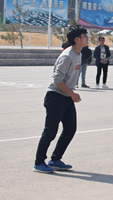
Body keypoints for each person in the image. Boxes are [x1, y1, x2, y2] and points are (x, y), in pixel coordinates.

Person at [33, 26, 88, 173]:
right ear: (77, 39)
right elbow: (57, 80)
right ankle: (39, 162)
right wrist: (72, 94)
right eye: (85, 36)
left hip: (66, 97)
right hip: (55, 97)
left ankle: (55, 159)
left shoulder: (78, 54)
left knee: (70, 129)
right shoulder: (67, 56)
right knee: (50, 131)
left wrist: (70, 94)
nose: (87, 38)